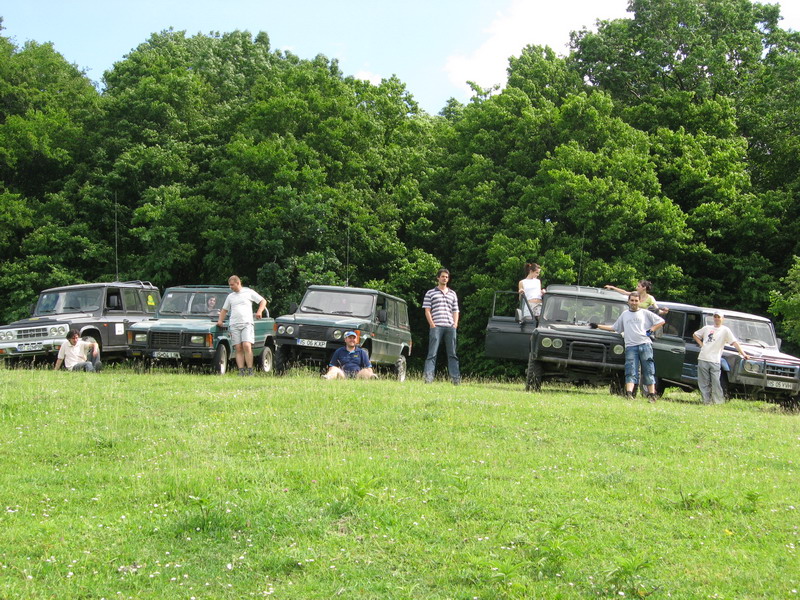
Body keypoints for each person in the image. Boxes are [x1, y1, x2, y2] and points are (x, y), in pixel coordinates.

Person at [594, 291, 665, 401]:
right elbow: (614, 328)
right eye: (632, 300)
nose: (634, 303)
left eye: (636, 301)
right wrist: (597, 326)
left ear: (640, 301)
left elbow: (661, 321)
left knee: (648, 370)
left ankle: (652, 395)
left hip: (645, 345)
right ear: (628, 301)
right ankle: (629, 394)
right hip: (631, 346)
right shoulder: (624, 314)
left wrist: (651, 330)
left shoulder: (645, 313)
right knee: (631, 370)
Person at [692, 312, 749, 405]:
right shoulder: (707, 328)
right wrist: (702, 345)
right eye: (715, 317)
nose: (717, 319)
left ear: (723, 319)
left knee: (716, 382)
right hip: (703, 357)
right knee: (703, 382)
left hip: (715, 360)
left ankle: (718, 402)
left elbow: (734, 342)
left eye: (719, 317)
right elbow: (695, 335)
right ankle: (706, 401)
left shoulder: (725, 330)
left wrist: (743, 353)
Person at [216, 275, 268, 376]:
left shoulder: (248, 292)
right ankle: (241, 370)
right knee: (238, 347)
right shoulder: (230, 296)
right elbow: (224, 310)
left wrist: (259, 311)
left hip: (247, 323)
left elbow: (263, 301)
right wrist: (220, 321)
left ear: (238, 283)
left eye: (232, 285)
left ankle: (250, 370)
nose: (231, 287)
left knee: (246, 345)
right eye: (230, 285)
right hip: (234, 324)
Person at [423, 268, 460, 384]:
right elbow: (427, 310)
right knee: (432, 354)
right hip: (437, 326)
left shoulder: (453, 294)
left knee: (452, 354)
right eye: (443, 276)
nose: (445, 279)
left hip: (450, 327)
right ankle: (428, 379)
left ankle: (455, 380)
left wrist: (455, 324)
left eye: (447, 277)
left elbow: (455, 311)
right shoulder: (430, 293)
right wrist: (432, 325)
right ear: (438, 278)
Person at [604, 280, 668, 314]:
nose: (636, 288)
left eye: (638, 286)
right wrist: (612, 287)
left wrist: (664, 312)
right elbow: (624, 292)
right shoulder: (635, 294)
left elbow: (657, 310)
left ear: (644, 288)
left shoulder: (650, 298)